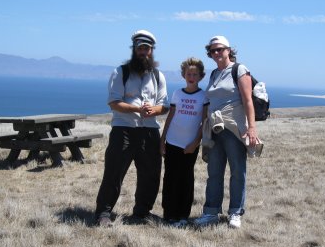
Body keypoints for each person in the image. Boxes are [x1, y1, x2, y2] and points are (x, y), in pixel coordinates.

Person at [95, 30, 169, 227]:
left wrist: (153, 110)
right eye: (141, 48)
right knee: (114, 172)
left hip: (150, 130)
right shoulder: (121, 72)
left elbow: (164, 105)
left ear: (152, 51)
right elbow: (114, 102)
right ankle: (103, 212)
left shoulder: (158, 75)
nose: (144, 52)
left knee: (151, 174)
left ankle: (142, 212)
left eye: (147, 48)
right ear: (134, 49)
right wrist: (138, 109)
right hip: (124, 129)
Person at [194, 36, 259, 229]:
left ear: (228, 50)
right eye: (212, 51)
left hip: (234, 129)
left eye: (219, 49)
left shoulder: (239, 70)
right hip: (214, 129)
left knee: (237, 171)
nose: (216, 53)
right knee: (214, 172)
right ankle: (211, 212)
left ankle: (235, 213)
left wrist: (252, 128)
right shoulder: (214, 73)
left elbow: (248, 101)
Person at [160, 57, 208, 228]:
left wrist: (196, 142)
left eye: (195, 74)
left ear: (201, 76)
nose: (191, 76)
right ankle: (168, 214)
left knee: (186, 179)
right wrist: (162, 139)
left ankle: (182, 215)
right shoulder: (177, 93)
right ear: (183, 75)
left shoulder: (203, 96)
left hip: (189, 146)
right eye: (188, 73)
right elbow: (170, 116)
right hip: (172, 142)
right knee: (170, 178)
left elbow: (204, 122)